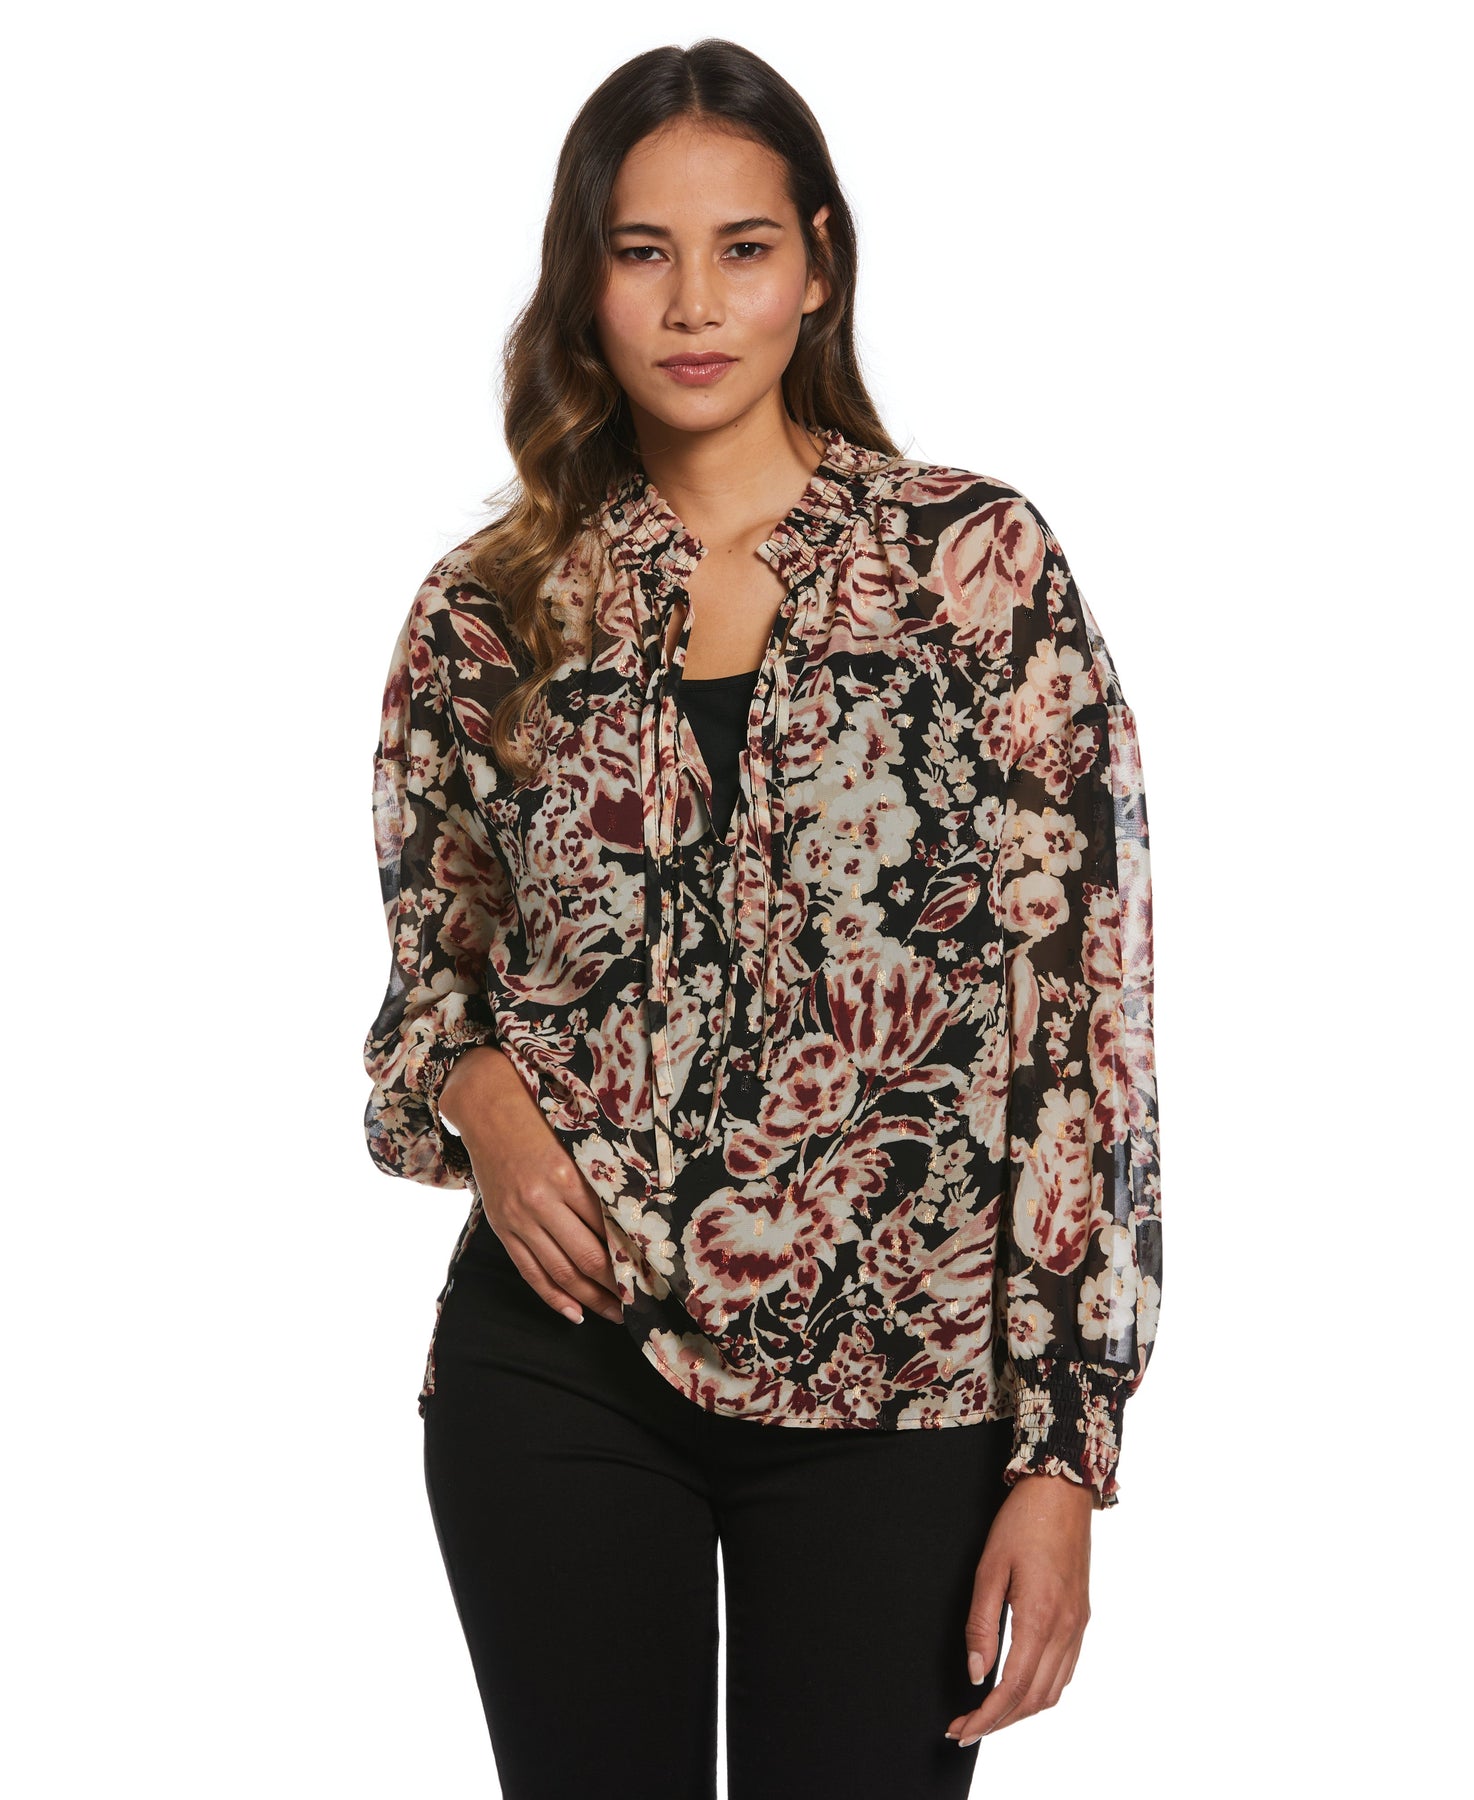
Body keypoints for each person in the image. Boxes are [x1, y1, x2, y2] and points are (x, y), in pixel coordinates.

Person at [361, 38, 1161, 1800]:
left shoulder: (973, 570)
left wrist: (1064, 1456)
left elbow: (1083, 1033)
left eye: (740, 248)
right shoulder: (490, 610)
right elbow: (431, 990)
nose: (691, 304)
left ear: (817, 266)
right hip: (559, 1366)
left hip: (900, 1381)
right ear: (583, 283)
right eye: (640, 252)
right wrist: (479, 1099)